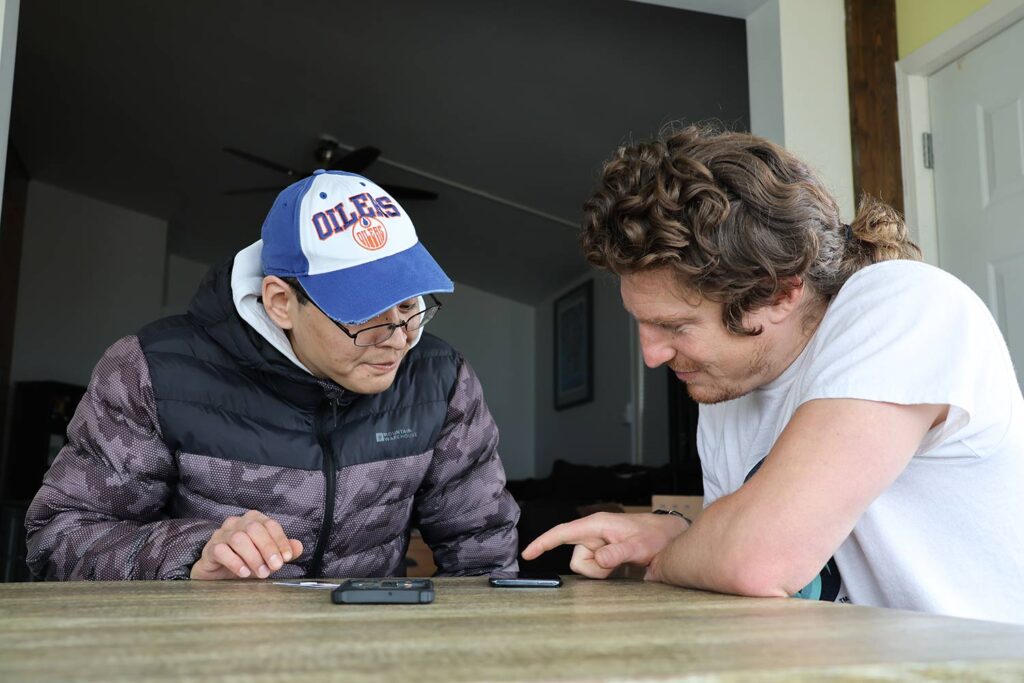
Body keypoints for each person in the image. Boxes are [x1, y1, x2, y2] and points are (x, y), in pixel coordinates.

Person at [523, 125, 1024, 623]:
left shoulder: (906, 304)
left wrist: (673, 555)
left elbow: (754, 563)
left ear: (780, 293)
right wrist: (685, 536)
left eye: (673, 325)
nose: (651, 355)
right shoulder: (728, 384)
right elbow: (745, 584)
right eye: (642, 323)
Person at [26, 170, 519, 581]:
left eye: (410, 304)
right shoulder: (151, 371)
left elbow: (484, 553)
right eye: (364, 313)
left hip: (370, 653)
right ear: (281, 302)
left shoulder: (439, 379)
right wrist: (193, 554)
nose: (396, 337)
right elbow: (59, 538)